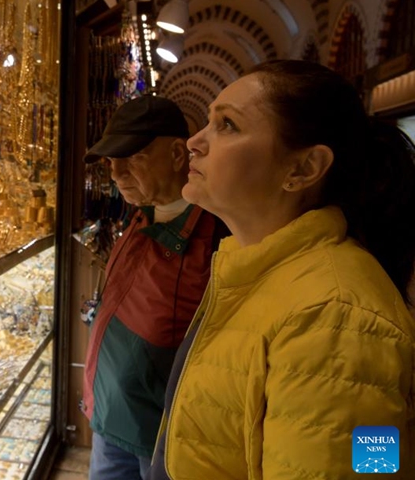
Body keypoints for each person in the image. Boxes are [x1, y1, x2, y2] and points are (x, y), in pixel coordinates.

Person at [150, 59, 415, 479]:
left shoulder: (340, 317)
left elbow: (369, 464)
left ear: (302, 169)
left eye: (228, 126)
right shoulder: (253, 270)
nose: (194, 142)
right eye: (207, 122)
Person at [81, 95, 226, 480]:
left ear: (179, 154)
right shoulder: (140, 216)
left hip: (162, 436)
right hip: (111, 416)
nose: (116, 173)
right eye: (112, 161)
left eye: (133, 157)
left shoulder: (220, 234)